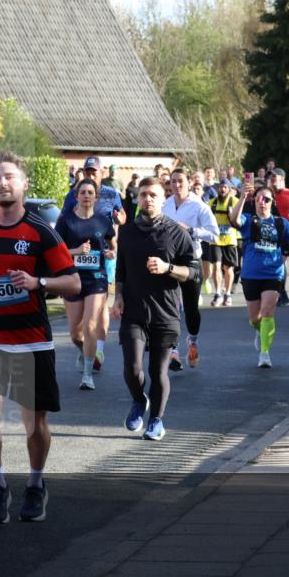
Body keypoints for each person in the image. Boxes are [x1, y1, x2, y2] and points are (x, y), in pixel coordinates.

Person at [0, 151, 80, 524]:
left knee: (35, 423)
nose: (2, 183)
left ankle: (36, 484)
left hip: (32, 338)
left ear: (23, 184)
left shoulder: (42, 233)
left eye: (9, 177)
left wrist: (37, 282)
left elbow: (73, 282)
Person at [111, 177, 199, 442]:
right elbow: (121, 270)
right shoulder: (127, 232)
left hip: (166, 313)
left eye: (153, 195)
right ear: (137, 198)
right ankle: (139, 400)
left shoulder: (177, 233)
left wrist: (167, 268)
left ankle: (156, 421)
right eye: (143, 194)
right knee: (132, 368)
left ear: (163, 199)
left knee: (158, 372)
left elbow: (193, 272)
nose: (147, 199)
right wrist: (118, 297)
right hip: (134, 310)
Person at [229, 185, 289, 367]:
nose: (262, 202)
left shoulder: (280, 223)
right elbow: (234, 219)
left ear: (272, 203)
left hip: (273, 273)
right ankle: (259, 330)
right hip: (251, 274)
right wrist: (243, 198)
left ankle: (264, 353)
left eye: (266, 199)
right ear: (255, 202)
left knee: (268, 312)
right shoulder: (248, 220)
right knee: (255, 318)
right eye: (259, 199)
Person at [54, 178, 116, 390]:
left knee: (90, 325)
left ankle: (88, 375)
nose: (87, 196)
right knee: (75, 334)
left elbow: (112, 244)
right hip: (72, 278)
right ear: (77, 196)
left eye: (90, 192)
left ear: (96, 197)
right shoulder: (66, 221)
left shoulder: (103, 221)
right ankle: (84, 351)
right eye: (83, 192)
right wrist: (76, 252)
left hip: (96, 279)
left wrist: (111, 252)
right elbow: (56, 251)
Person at [161, 168, 218, 370]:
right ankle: (173, 350)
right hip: (170, 261)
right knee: (171, 306)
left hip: (191, 260)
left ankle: (192, 340)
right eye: (173, 181)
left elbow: (214, 234)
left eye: (181, 181)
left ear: (189, 183)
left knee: (191, 309)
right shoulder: (166, 204)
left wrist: (191, 231)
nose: (177, 185)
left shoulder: (198, 205)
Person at [205, 179, 240, 306]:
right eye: (221, 187)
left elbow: (239, 219)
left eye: (225, 187)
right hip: (215, 240)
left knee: (228, 268)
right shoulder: (212, 203)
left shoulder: (235, 201)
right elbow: (206, 219)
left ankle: (228, 294)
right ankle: (218, 293)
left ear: (229, 189)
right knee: (216, 266)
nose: (223, 189)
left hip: (230, 239)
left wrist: (232, 215)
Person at [270, 168, 289, 306]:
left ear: (282, 179)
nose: (273, 179)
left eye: (275, 177)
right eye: (271, 177)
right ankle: (276, 292)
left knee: (280, 262)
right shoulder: (266, 193)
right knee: (271, 262)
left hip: (284, 232)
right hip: (268, 231)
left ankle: (281, 292)